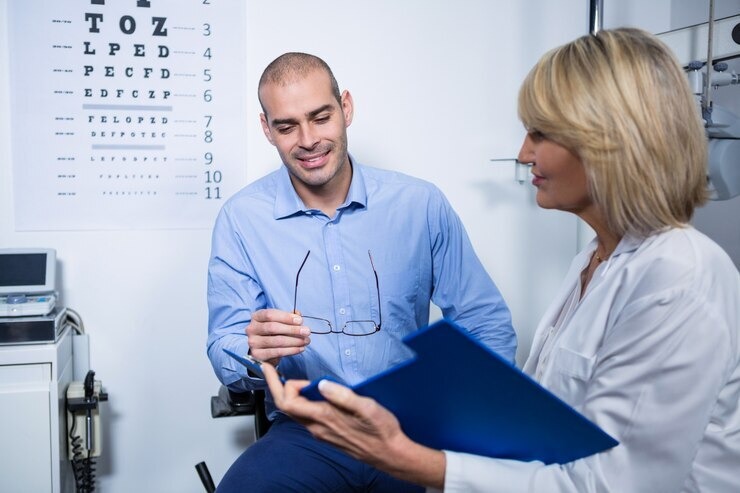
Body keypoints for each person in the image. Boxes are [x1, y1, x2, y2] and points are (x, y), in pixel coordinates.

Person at [263, 28, 740, 492]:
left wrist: (415, 460)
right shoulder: (593, 262)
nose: (523, 153)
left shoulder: (678, 278)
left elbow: (612, 484)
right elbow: (551, 425)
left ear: (608, 141)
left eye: (539, 133)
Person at [207, 52, 516, 492]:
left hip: (411, 425)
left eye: (321, 117)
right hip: (309, 430)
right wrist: (256, 351)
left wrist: (483, 423)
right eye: (287, 126)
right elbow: (225, 343)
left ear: (345, 107)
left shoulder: (419, 205)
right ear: (266, 129)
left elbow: (484, 321)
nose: (309, 139)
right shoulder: (242, 219)